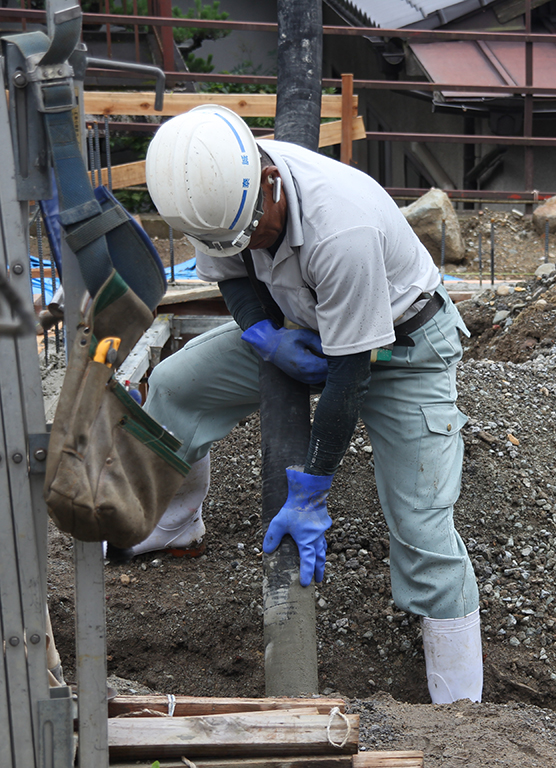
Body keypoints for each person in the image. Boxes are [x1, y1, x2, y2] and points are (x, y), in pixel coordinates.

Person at [114, 104, 482, 704]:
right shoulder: (213, 198)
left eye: (254, 234)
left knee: (422, 528)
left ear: (270, 180)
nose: (249, 246)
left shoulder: (344, 229)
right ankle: (178, 523)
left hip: (402, 349)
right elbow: (232, 275)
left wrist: (310, 491)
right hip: (303, 328)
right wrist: (262, 334)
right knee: (177, 385)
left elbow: (349, 380)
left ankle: (463, 714)